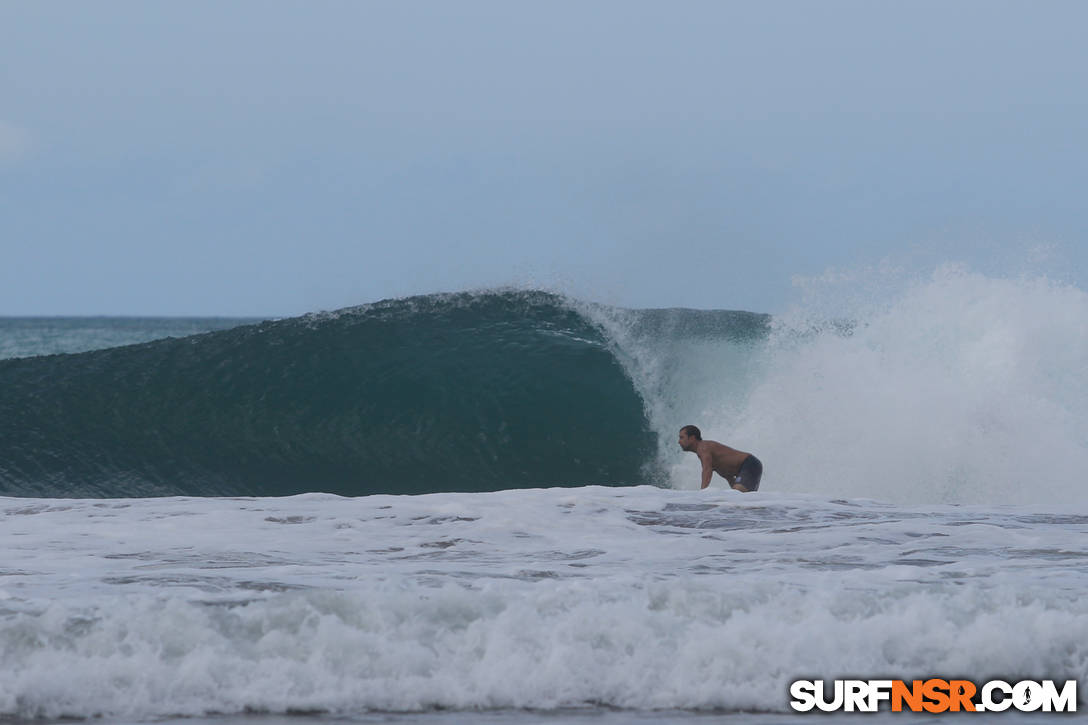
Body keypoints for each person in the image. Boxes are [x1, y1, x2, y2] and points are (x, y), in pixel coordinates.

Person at [678, 424, 763, 491]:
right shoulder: (712, 458)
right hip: (750, 466)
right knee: (743, 502)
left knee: (736, 497)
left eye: (682, 437)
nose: (679, 442)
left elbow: (707, 470)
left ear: (692, 438)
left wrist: (702, 495)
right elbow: (728, 477)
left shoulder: (703, 447)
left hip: (749, 464)